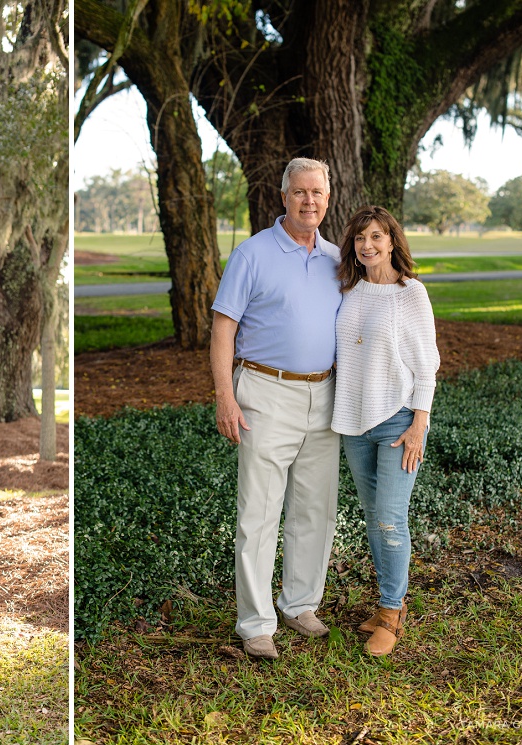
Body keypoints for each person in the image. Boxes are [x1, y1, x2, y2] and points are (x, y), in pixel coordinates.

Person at [210, 157, 343, 660]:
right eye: (300, 192)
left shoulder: (336, 257)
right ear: (283, 196)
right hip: (266, 391)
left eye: (318, 192)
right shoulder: (252, 254)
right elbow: (223, 326)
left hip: (325, 395)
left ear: (327, 199)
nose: (310, 201)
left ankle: (300, 602)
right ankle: (256, 622)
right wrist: (225, 393)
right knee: (260, 513)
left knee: (316, 507)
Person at [331, 205, 440, 657]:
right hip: (354, 423)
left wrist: (420, 422)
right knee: (373, 518)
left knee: (389, 519)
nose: (368, 245)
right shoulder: (349, 290)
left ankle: (393, 613)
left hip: (397, 421)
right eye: (360, 238)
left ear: (392, 241)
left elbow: (427, 362)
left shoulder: (409, 293)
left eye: (376, 237)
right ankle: (384, 603)